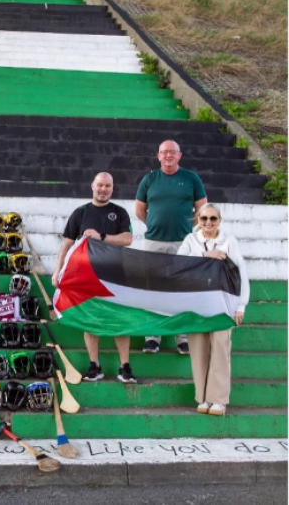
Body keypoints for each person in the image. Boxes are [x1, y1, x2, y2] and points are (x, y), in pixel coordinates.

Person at [52, 172, 135, 383]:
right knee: (90, 320)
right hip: (86, 277)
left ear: (112, 188)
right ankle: (94, 366)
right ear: (92, 186)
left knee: (119, 320)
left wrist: (102, 237)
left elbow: (127, 239)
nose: (103, 189)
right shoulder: (80, 213)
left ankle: (125, 367)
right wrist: (58, 270)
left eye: (107, 186)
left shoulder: (119, 212)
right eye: (100, 185)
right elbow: (66, 245)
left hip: (115, 277)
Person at [135, 140, 207, 354]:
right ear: (158, 156)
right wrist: (154, 225)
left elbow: (202, 209)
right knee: (153, 289)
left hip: (183, 242)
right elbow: (140, 210)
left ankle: (182, 338)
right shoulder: (149, 180)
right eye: (164, 152)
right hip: (154, 242)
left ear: (179, 155)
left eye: (172, 152)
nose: (168, 155)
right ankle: (152, 337)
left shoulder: (191, 178)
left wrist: (186, 226)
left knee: (181, 290)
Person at [176, 203, 249, 416]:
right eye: (204, 218)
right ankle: (203, 397)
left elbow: (241, 273)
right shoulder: (191, 240)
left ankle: (218, 399)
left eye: (213, 218)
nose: (208, 222)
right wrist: (204, 255)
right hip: (197, 304)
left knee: (220, 349)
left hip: (222, 304)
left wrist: (241, 305)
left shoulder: (229, 241)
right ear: (198, 220)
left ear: (220, 220)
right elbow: (179, 263)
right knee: (198, 351)